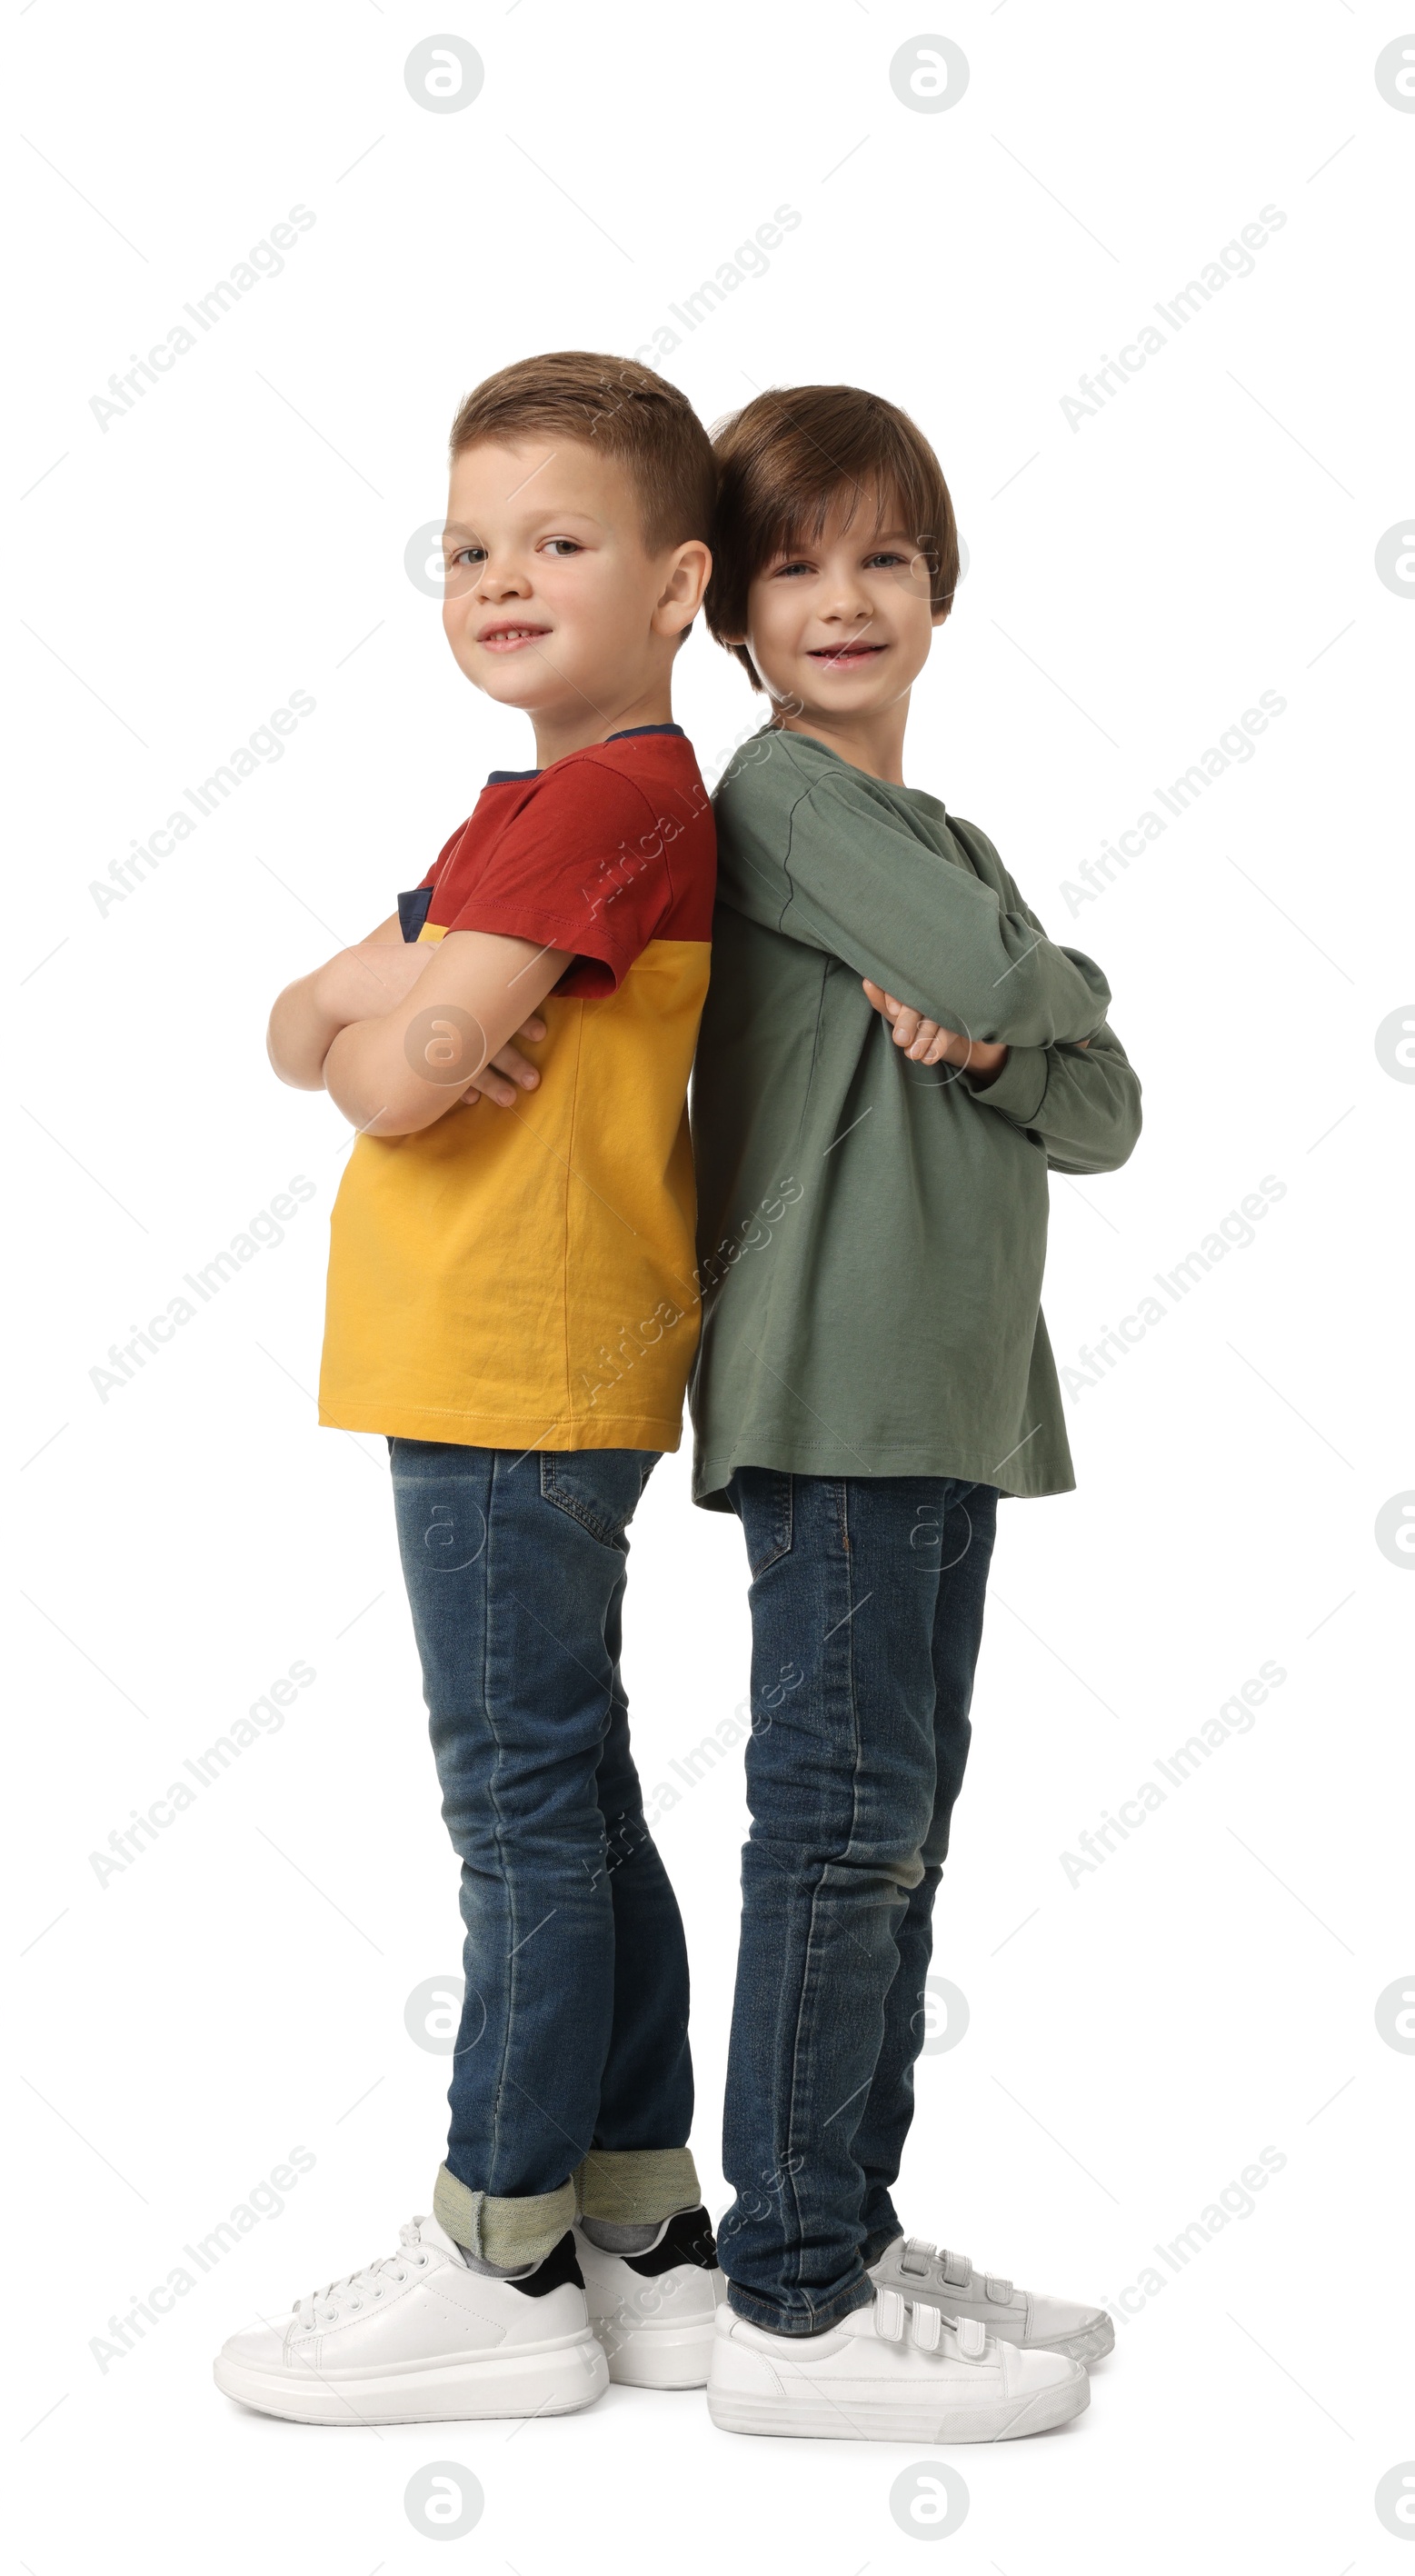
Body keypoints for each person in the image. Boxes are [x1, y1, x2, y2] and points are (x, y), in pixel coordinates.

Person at [214, 352, 723, 2426]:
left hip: (515, 1353)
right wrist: (376, 1013)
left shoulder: (606, 801)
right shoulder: (527, 807)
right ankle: (639, 2223)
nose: (500, 577)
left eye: (560, 541)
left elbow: (407, 1079)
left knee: (516, 1811)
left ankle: (497, 2248)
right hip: (512, 1356)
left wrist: (390, 1019)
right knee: (572, 1795)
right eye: (468, 547)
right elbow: (293, 1026)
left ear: (678, 582)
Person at [690, 383, 1142, 2442]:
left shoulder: (937, 839)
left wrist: (1007, 1013)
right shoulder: (780, 797)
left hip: (954, 1400)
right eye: (794, 564)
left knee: (902, 1839)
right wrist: (1014, 983)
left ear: (939, 591)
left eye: (881, 557)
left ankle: (845, 2234)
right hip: (840, 1380)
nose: (842, 597)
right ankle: (785, 2293)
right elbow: (993, 973)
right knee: (838, 1833)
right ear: (736, 614)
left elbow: (1102, 1109)